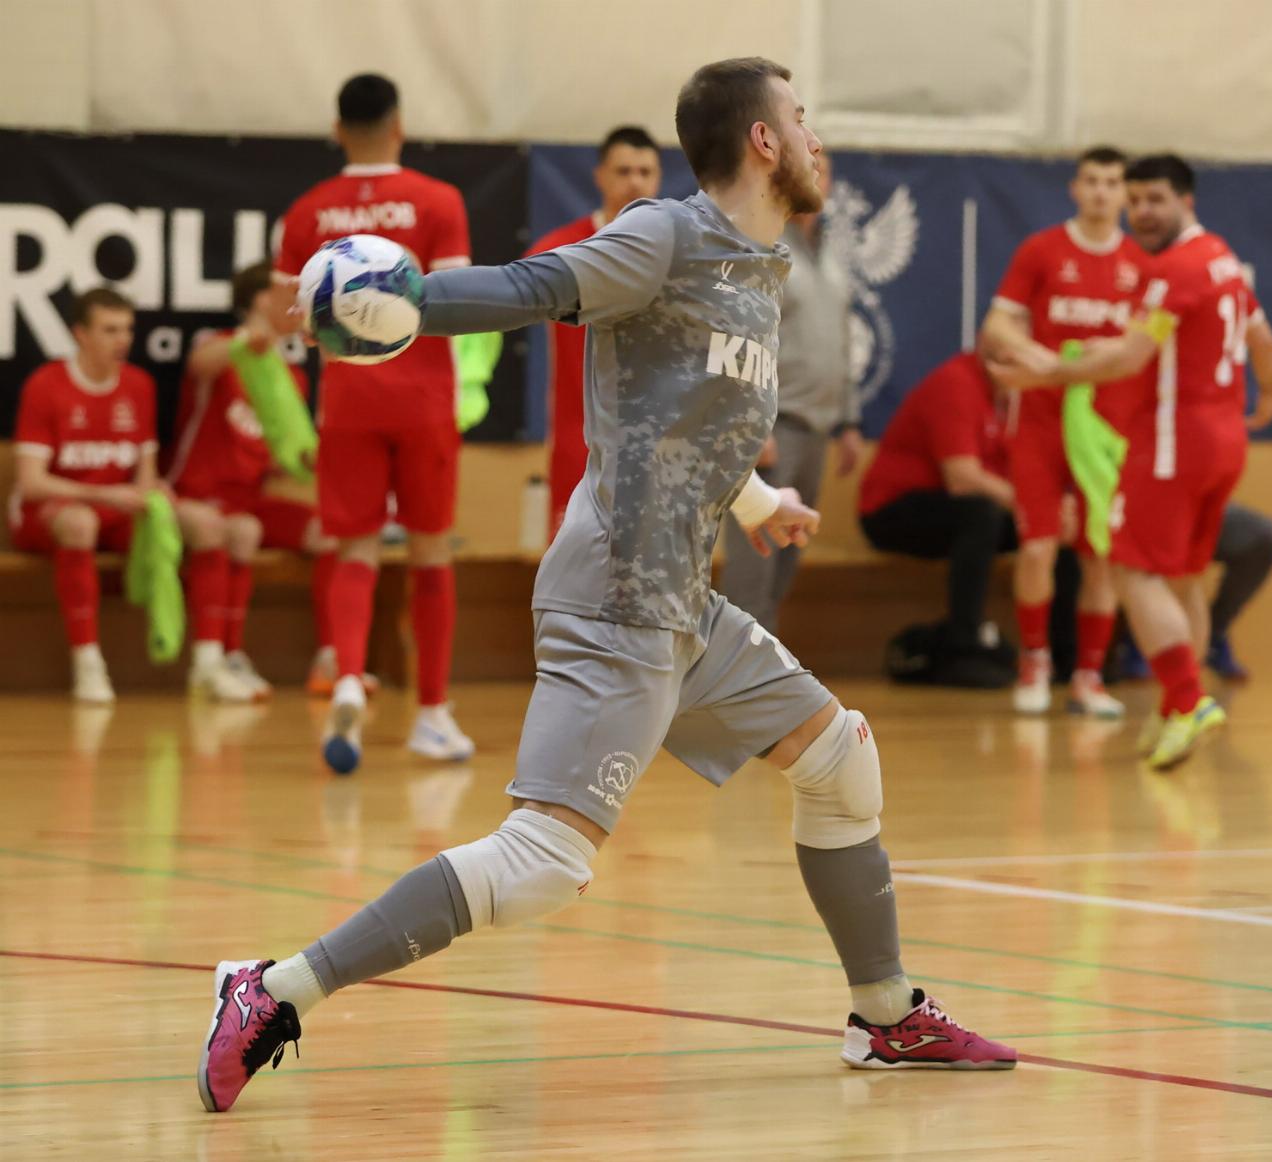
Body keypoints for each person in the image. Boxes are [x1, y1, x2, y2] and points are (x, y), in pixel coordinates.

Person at [198, 57, 1014, 1116]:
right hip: (617, 596)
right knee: (542, 863)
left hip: (683, 605)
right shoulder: (663, 234)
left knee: (841, 759)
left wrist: (757, 501)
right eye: (801, 118)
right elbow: (534, 287)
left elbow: (684, 415)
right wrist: (410, 299)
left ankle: (886, 1012)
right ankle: (272, 989)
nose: (817, 138)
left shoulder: (759, 265)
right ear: (763, 140)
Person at [994, 154, 1272, 770]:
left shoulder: (1173, 270)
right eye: (1137, 201)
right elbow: (1264, 341)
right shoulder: (1223, 259)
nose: (1142, 212)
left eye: (1157, 200)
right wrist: (1268, 398)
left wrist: (1050, 372)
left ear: (1187, 201)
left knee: (1130, 568)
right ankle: (1176, 709)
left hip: (1174, 444)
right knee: (1184, 576)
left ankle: (1187, 699)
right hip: (1224, 438)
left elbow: (1128, 358)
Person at [274, 73, 476, 772]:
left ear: (337, 131)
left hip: (348, 403)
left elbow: (285, 320)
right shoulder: (438, 200)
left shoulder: (308, 211)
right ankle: (433, 715)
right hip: (423, 400)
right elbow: (455, 301)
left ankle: (349, 680)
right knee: (431, 555)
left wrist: (338, 316)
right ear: (399, 125)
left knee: (355, 551)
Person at [979, 146, 1143, 719]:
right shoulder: (1042, 250)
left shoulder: (1140, 263)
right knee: (1038, 546)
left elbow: (1147, 346)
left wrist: (1104, 358)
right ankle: (1035, 662)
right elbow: (997, 325)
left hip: (1106, 430)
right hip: (1041, 423)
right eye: (1092, 180)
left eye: (1112, 182)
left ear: (1125, 194)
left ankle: (1089, 677)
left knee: (1102, 556)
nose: (1101, 192)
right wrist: (1042, 360)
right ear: (1075, 188)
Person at [168, 261, 343, 699]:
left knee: (329, 531)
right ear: (263, 299)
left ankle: (332, 658)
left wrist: (309, 461)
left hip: (251, 498)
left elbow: (283, 457)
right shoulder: (221, 346)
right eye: (290, 297)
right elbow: (200, 364)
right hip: (199, 494)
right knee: (236, 531)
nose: (299, 306)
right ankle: (220, 658)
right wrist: (251, 338)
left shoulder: (291, 376)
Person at [858, 350, 1083, 687]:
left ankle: (1068, 660)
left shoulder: (1018, 399)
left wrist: (1052, 506)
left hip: (969, 510)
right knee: (980, 514)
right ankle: (963, 648)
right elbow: (962, 479)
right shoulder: (956, 383)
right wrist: (1037, 505)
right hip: (891, 510)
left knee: (1056, 530)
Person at [720, 154, 863, 633]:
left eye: (825, 171)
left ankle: (759, 667)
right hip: (773, 428)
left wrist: (849, 421)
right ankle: (730, 669)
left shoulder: (829, 254)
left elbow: (842, 341)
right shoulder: (763, 243)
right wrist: (751, 423)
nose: (817, 178)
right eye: (809, 167)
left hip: (817, 430)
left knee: (784, 563)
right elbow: (741, 336)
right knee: (753, 566)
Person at [9, 288, 163, 703]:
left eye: (127, 329)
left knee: (193, 525)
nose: (123, 340)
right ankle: (87, 660)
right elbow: (32, 483)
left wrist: (149, 496)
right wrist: (105, 495)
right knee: (81, 523)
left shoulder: (139, 385)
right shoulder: (46, 385)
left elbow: (146, 473)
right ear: (81, 334)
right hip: (48, 514)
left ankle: (208, 658)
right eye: (110, 330)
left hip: (114, 512)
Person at [525, 126, 663, 536]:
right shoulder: (560, 251)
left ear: (658, 179)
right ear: (600, 176)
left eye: (644, 171)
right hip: (580, 445)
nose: (634, 182)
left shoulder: (678, 254)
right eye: (623, 171)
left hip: (656, 447)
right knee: (572, 566)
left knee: (649, 567)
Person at [1116, 502, 1272, 682]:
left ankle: (1209, 640)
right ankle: (1139, 636)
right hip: (1128, 509)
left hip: (1183, 505)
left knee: (1265, 538)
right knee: (1151, 557)